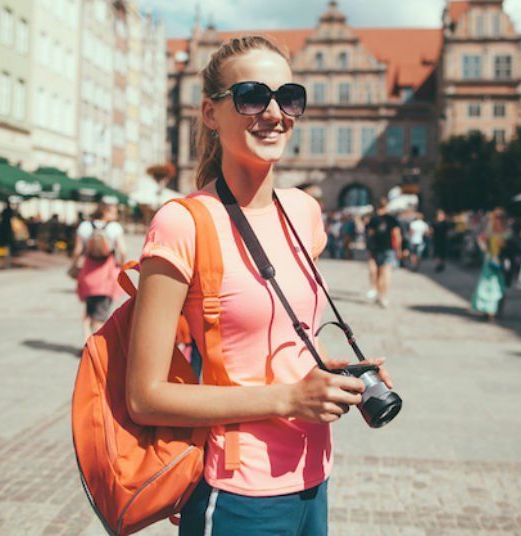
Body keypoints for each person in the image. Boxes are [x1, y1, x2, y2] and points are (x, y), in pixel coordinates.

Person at [126, 35, 391, 536]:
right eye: (251, 96)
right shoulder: (182, 223)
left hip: (314, 475)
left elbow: (276, 338)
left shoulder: (305, 212)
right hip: (236, 490)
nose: (274, 113)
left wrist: (329, 375)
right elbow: (144, 395)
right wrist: (288, 399)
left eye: (288, 97)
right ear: (210, 113)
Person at [72, 202, 126, 340]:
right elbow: (123, 251)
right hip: (106, 276)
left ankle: (86, 341)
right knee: (100, 317)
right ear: (105, 212)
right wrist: (120, 264)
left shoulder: (84, 226)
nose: (116, 215)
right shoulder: (114, 227)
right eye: (113, 211)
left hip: (88, 274)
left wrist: (74, 266)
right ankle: (97, 348)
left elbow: (77, 251)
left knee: (88, 312)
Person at [470, 208, 511, 321]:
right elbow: (483, 244)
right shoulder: (489, 230)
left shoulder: (508, 232)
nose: (497, 220)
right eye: (495, 217)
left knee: (499, 285)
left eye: (499, 217)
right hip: (490, 260)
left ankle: (496, 309)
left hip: (502, 261)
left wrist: (505, 246)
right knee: (486, 285)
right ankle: (486, 309)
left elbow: (513, 248)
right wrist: (483, 244)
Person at [364, 197, 402, 308]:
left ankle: (375, 290)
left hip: (376, 248)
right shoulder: (392, 219)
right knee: (386, 273)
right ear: (387, 206)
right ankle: (383, 297)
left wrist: (369, 248)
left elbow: (370, 235)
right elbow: (397, 235)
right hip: (388, 248)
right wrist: (398, 250)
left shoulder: (374, 219)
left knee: (376, 271)